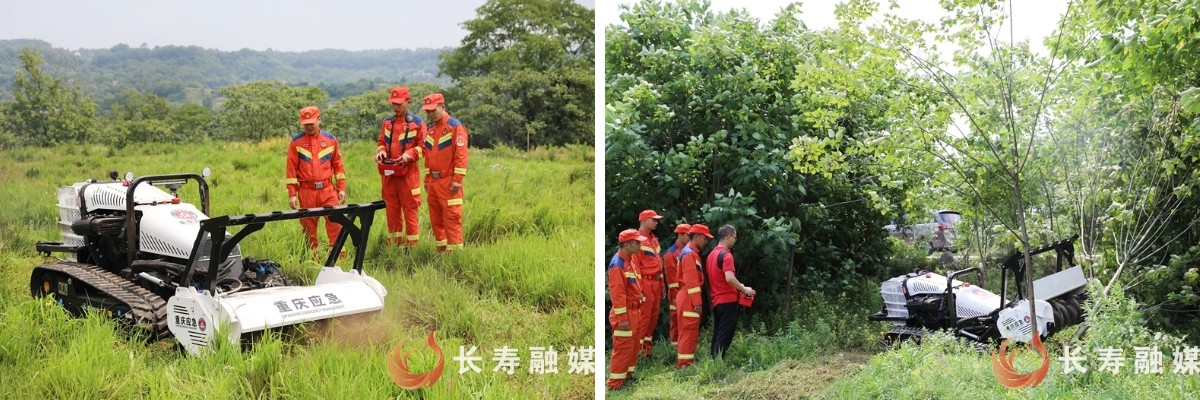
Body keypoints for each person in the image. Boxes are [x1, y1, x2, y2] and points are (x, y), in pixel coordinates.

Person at [286, 105, 347, 250]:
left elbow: (338, 166)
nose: (309, 127)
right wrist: (292, 194)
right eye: (306, 124)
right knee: (309, 229)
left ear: (319, 120)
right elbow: (291, 170)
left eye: (312, 123)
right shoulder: (296, 142)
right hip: (306, 192)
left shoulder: (331, 140)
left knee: (336, 225)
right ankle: (313, 259)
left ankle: (339, 258)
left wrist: (341, 188)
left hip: (328, 191)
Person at [375, 86, 427, 249]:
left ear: (408, 102)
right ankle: (394, 246)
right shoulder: (387, 122)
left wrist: (409, 155)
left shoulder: (418, 123)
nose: (395, 107)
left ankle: (412, 247)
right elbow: (381, 142)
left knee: (410, 211)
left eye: (399, 103)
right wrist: (381, 152)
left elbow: (424, 148)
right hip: (389, 175)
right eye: (393, 103)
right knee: (391, 210)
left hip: (408, 175)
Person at [420, 93, 469, 252]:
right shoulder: (431, 130)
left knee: (451, 218)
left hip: (449, 181)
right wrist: (427, 179)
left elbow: (461, 155)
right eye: (427, 111)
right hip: (433, 182)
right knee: (436, 219)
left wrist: (457, 179)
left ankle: (455, 255)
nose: (430, 114)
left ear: (443, 107)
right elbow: (428, 158)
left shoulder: (455, 127)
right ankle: (441, 252)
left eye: (433, 110)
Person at [706, 224, 755, 358]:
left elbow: (720, 278)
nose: (735, 240)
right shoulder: (726, 255)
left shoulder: (711, 255)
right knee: (726, 333)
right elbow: (729, 278)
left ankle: (713, 358)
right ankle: (718, 361)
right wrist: (744, 289)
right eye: (734, 237)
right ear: (728, 237)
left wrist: (738, 285)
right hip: (727, 300)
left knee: (718, 331)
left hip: (716, 300)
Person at [607, 229, 646, 390]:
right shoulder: (618, 265)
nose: (640, 245)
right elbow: (618, 295)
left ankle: (627, 375)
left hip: (634, 311)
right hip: (626, 314)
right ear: (627, 245)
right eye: (637, 242)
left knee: (633, 346)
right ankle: (615, 383)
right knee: (623, 348)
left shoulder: (629, 261)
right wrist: (622, 318)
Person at [675, 223, 712, 368]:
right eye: (704, 238)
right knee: (688, 330)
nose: (706, 241)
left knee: (690, 330)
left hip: (688, 295)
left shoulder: (690, 252)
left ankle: (687, 362)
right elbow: (691, 281)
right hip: (689, 296)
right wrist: (697, 302)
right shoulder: (689, 254)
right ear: (696, 237)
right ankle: (685, 364)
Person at [634, 209, 664, 356]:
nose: (656, 222)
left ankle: (647, 350)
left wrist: (662, 284)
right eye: (653, 219)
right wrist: (638, 288)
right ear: (644, 220)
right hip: (645, 283)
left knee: (653, 318)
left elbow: (659, 263)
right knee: (644, 318)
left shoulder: (653, 239)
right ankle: (638, 352)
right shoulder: (636, 240)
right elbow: (635, 266)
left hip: (656, 283)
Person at [663, 223, 690, 347]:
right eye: (688, 235)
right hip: (677, 292)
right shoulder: (671, 253)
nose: (690, 238)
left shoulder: (685, 251)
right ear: (680, 235)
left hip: (685, 291)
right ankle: (675, 345)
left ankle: (683, 344)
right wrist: (676, 296)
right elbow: (671, 280)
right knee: (676, 318)